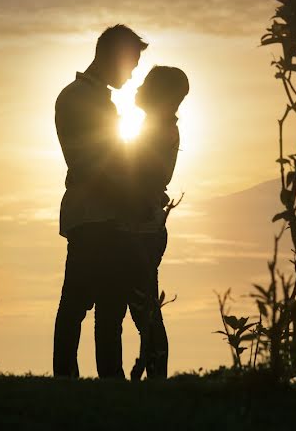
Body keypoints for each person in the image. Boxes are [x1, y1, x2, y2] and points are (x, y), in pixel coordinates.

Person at [52, 24, 147, 378]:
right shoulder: (80, 98)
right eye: (131, 63)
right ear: (112, 57)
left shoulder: (92, 99)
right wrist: (131, 196)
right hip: (93, 214)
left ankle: (105, 378)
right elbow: (91, 162)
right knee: (80, 303)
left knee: (107, 305)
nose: (133, 72)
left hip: (103, 212)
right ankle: (71, 376)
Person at [123, 66, 189, 380]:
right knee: (140, 307)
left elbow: (149, 175)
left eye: (146, 84)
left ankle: (155, 377)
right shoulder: (153, 127)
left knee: (144, 308)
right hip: (142, 225)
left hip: (142, 228)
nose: (138, 88)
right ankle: (151, 375)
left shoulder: (159, 129)